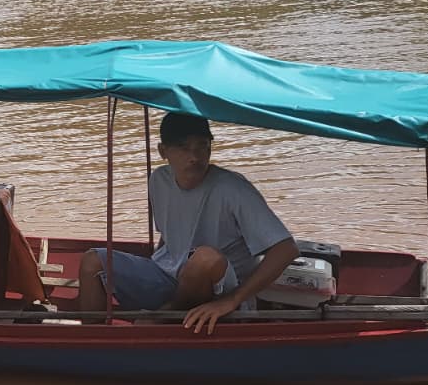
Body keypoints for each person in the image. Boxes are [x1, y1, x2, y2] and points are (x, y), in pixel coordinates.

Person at [75, 112, 299, 334]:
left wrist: (231, 300)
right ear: (163, 152)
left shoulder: (233, 189)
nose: (195, 156)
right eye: (183, 147)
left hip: (219, 289)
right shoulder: (159, 180)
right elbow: (168, 237)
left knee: (204, 258)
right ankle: (94, 338)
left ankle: (165, 318)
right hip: (171, 276)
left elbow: (286, 249)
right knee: (92, 261)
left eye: (202, 146)